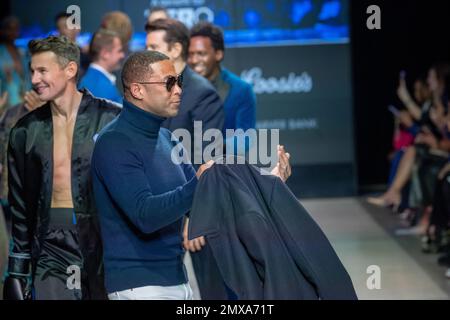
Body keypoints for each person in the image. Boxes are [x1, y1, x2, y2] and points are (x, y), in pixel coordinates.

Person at [91, 50, 291, 300]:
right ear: (137, 90)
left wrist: (270, 184)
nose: (178, 90)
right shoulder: (114, 142)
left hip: (177, 281)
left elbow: (207, 206)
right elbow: (145, 215)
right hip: (139, 286)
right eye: (168, 83)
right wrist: (200, 182)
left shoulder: (168, 139)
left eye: (179, 81)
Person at [3, 36, 120, 300]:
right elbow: (20, 209)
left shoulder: (112, 119)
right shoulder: (24, 131)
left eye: (42, 71)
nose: (34, 80)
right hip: (51, 245)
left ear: (70, 70)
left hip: (104, 243)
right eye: (32, 71)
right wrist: (18, 270)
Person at [145, 18, 224, 167]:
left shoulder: (203, 94)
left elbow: (206, 159)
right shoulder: (149, 88)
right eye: (146, 47)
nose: (146, 53)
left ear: (175, 49)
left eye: (153, 47)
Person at [188, 22, 256, 153]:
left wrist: (215, 147)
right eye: (190, 54)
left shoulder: (241, 90)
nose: (194, 60)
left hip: (224, 166)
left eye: (201, 54)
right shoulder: (180, 86)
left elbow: (246, 138)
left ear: (218, 54)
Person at [79, 29, 125, 104]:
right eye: (119, 51)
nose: (122, 55)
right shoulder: (101, 87)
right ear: (105, 54)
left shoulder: (91, 80)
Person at [0, 16, 31, 109]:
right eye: (9, 28)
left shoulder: (23, 52)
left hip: (26, 102)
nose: (13, 32)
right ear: (2, 30)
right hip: (6, 104)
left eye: (16, 29)